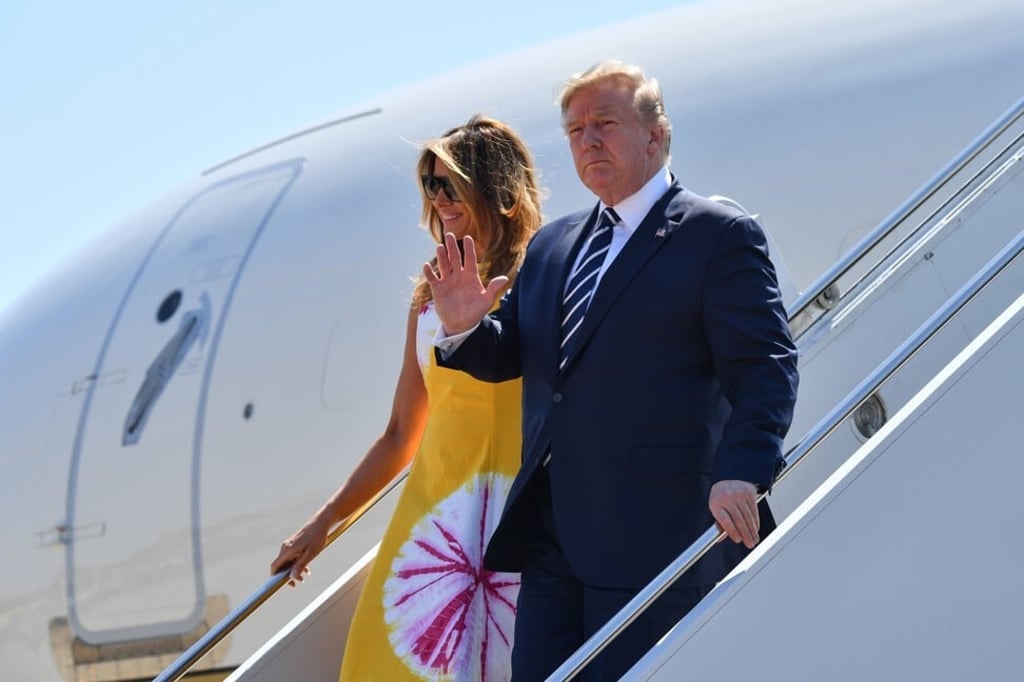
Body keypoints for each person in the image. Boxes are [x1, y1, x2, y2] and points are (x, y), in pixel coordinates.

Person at [424, 61, 799, 680]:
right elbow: (513, 353)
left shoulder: (718, 234)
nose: (588, 141)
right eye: (575, 130)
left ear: (656, 135)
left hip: (656, 532)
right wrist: (464, 327)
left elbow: (764, 365)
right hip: (554, 536)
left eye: (604, 123)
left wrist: (743, 472)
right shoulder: (552, 246)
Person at [270, 115, 543, 681]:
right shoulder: (426, 298)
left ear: (495, 188)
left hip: (521, 518)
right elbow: (400, 432)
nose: (438, 198)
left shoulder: (543, 272)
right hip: (436, 519)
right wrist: (322, 524)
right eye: (430, 185)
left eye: (451, 183)